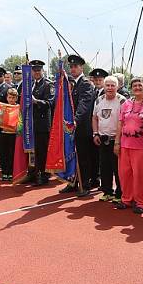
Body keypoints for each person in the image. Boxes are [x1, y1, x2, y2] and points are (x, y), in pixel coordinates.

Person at [59, 54, 96, 196]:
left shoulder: (86, 83)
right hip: (71, 127)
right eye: (71, 67)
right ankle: (73, 182)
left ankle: (85, 185)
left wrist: (75, 119)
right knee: (72, 155)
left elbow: (84, 104)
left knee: (83, 157)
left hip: (82, 127)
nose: (73, 69)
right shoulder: (71, 84)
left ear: (82, 68)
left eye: (76, 66)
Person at [116, 77, 143, 213]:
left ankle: (142, 202)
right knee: (124, 174)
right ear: (131, 88)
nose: (137, 87)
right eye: (134, 85)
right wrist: (117, 142)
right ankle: (126, 199)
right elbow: (120, 123)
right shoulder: (126, 104)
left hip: (141, 145)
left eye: (140, 85)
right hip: (125, 144)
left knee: (140, 175)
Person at [93, 75, 125, 202]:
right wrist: (95, 133)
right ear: (104, 86)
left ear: (117, 87)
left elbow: (123, 121)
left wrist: (118, 140)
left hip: (116, 140)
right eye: (108, 85)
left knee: (118, 168)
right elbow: (94, 118)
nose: (110, 88)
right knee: (104, 167)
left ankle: (119, 193)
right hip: (102, 138)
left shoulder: (122, 100)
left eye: (113, 85)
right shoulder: (98, 100)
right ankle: (107, 191)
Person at [26, 60, 55, 186]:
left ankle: (44, 175)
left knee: (42, 151)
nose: (36, 73)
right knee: (33, 151)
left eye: (39, 70)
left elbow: (50, 103)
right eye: (34, 70)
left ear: (42, 71)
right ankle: (33, 173)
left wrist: (36, 101)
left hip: (43, 124)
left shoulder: (48, 85)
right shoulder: (30, 84)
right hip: (31, 123)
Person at [0, 89, 21, 181]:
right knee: (3, 154)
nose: (11, 99)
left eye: (13, 97)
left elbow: (21, 121)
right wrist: (2, 112)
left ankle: (11, 172)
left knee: (12, 154)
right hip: (4, 133)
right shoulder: (4, 107)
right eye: (10, 97)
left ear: (16, 98)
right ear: (7, 98)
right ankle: (4, 172)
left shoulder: (18, 107)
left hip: (14, 134)